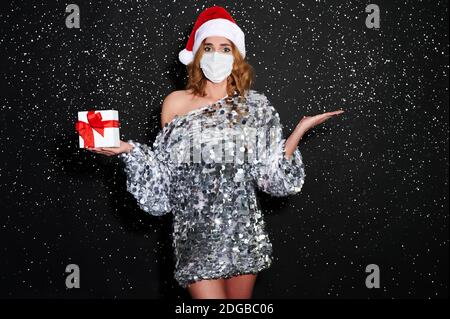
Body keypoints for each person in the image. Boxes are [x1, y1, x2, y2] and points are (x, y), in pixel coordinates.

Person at [87, 6, 344, 299]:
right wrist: (128, 150)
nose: (216, 54)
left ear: (236, 57)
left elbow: (271, 177)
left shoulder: (254, 106)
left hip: (243, 233)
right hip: (194, 235)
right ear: (198, 54)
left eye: (225, 48)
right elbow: (164, 178)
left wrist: (297, 132)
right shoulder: (175, 103)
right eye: (209, 47)